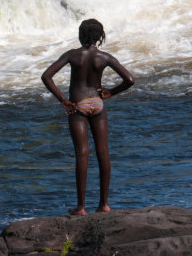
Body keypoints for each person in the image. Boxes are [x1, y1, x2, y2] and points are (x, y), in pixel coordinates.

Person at [41, 18, 134, 215]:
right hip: (98, 104)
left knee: (82, 154)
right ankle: (104, 204)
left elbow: (46, 76)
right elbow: (130, 80)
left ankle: (81, 207)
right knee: (103, 152)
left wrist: (62, 100)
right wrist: (112, 92)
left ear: (81, 35)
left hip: (78, 104)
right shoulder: (104, 57)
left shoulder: (73, 55)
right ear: (100, 37)